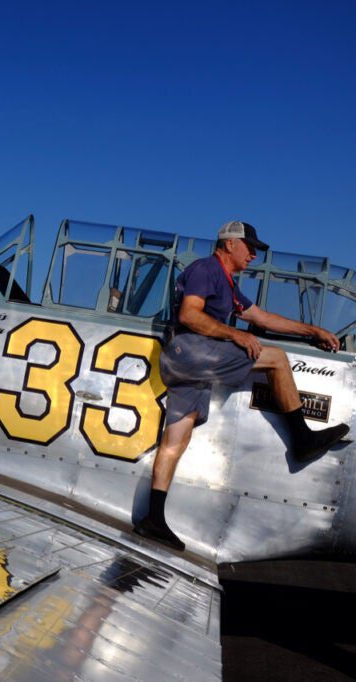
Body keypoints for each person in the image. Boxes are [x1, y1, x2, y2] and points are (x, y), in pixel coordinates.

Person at [134, 220, 350, 551]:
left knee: (177, 437)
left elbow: (262, 318)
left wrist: (313, 331)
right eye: (250, 247)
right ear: (229, 244)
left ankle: (153, 518)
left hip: (187, 361)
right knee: (276, 358)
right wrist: (235, 333)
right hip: (191, 350)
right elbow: (190, 315)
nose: (253, 254)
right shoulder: (206, 269)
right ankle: (303, 437)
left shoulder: (229, 285)